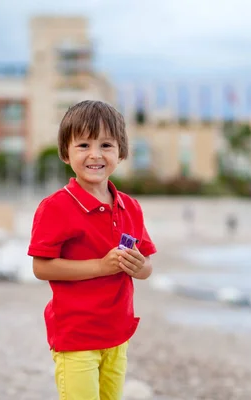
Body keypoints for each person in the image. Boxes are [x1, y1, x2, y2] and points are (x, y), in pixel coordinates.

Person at [28, 100, 157, 400]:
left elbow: (147, 265)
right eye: (83, 144)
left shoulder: (130, 207)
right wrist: (102, 266)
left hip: (117, 333)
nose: (95, 154)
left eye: (106, 145)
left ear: (121, 152)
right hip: (75, 335)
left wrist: (140, 267)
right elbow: (41, 266)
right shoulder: (56, 207)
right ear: (65, 152)